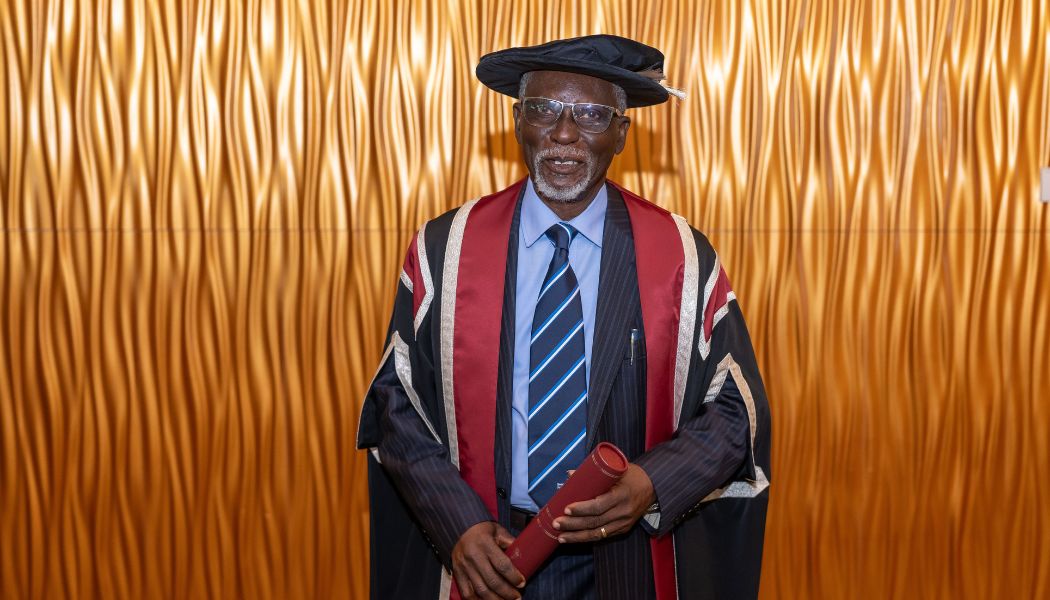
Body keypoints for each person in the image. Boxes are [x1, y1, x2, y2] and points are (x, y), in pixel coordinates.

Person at [357, 34, 771, 600]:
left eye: (592, 114)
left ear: (622, 133)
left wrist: (651, 483)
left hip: (626, 560)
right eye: (544, 109)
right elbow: (396, 404)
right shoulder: (445, 249)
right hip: (488, 550)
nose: (564, 133)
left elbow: (733, 411)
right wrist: (458, 524)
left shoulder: (680, 257)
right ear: (517, 121)